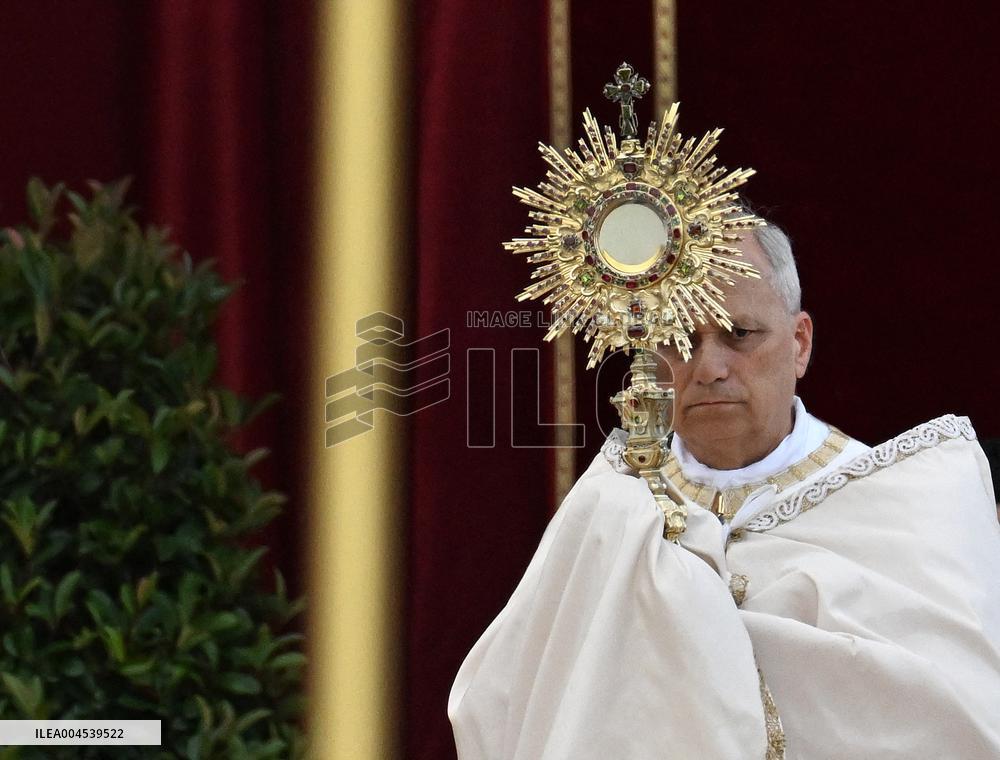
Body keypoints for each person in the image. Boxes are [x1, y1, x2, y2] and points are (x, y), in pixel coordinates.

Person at [448, 218, 1000, 759]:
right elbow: (509, 707)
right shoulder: (612, 509)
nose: (709, 366)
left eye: (739, 334)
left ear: (800, 343)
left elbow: (959, 721)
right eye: (680, 339)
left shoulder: (900, 507)